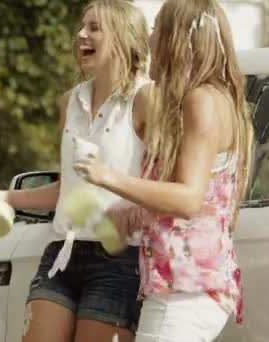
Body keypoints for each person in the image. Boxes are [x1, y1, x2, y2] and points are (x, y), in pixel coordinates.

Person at [73, 0, 255, 341]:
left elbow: (188, 198)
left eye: (158, 26)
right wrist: (137, 211)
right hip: (183, 286)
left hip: (186, 290)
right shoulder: (214, 96)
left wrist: (106, 177)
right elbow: (205, 201)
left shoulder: (200, 100)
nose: (150, 35)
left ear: (179, 38)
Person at [0, 1, 150, 341]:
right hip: (61, 252)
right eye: (81, 26)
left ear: (123, 36)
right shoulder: (70, 102)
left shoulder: (146, 98)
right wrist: (2, 196)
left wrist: (134, 208)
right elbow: (66, 188)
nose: (80, 35)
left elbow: (167, 183)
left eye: (94, 28)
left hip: (119, 261)